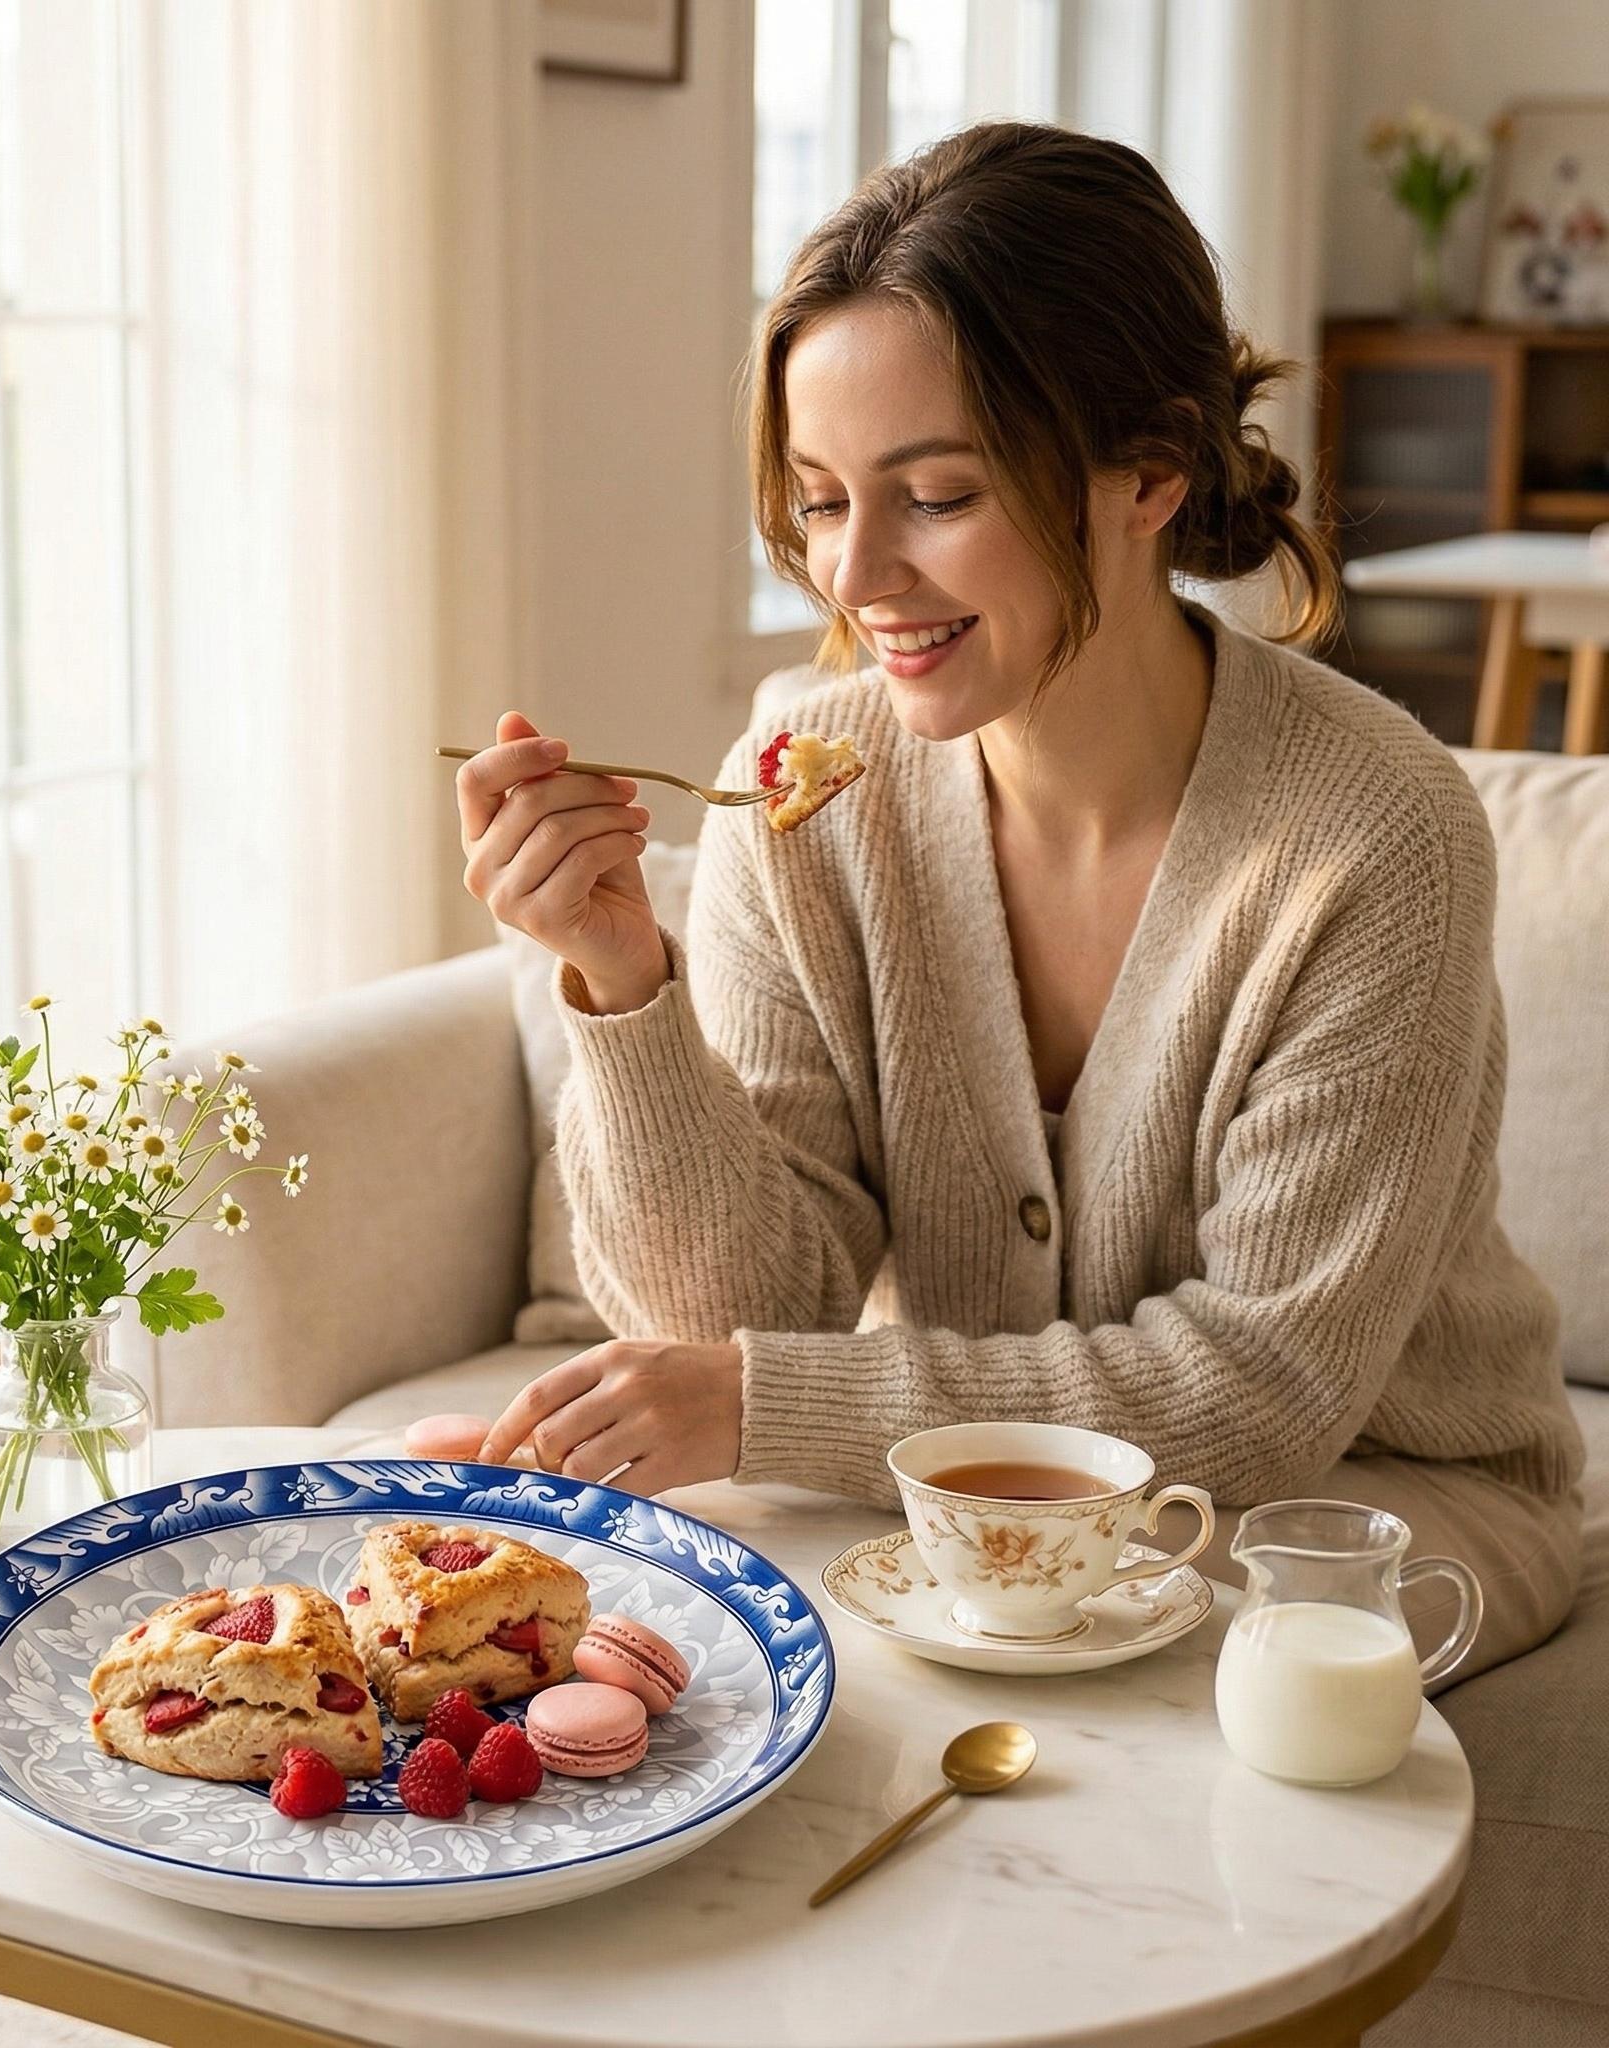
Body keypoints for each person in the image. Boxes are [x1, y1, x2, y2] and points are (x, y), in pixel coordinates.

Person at [452, 121, 1582, 1688]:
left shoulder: (1375, 835)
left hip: (1359, 1501)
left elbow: (1262, 1391)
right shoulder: (800, 793)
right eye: (824, 500)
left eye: (935, 495)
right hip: (998, 1501)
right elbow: (743, 1313)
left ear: (1150, 470)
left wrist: (769, 1410)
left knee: (1184, 1678)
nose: (858, 576)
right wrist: (622, 983)